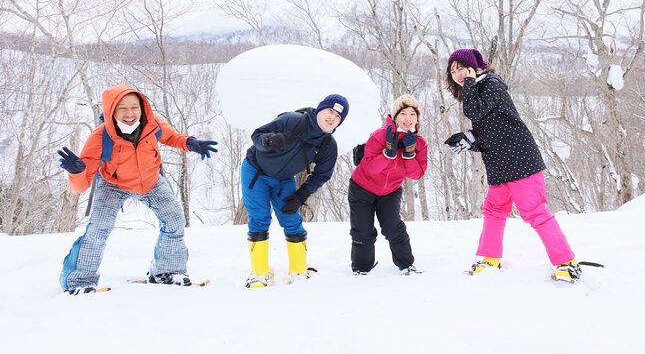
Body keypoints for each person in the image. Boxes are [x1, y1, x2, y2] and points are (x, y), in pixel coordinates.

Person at [58, 84, 218, 294]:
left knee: (175, 219)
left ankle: (166, 272)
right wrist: (77, 171)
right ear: (111, 110)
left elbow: (170, 136)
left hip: (151, 181)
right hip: (113, 185)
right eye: (122, 108)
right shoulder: (100, 137)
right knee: (98, 229)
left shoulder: (152, 124)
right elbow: (80, 186)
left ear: (142, 108)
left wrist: (190, 143)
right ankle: (79, 281)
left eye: (135, 107)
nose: (130, 114)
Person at [444, 48, 580, 282]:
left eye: (462, 68)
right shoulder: (478, 90)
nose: (458, 74)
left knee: (536, 212)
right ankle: (489, 258)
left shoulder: (491, 84)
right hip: (499, 164)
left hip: (520, 160)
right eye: (453, 70)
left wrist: (468, 82)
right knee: (494, 211)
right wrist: (470, 139)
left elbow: (473, 110)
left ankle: (566, 262)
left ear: (474, 68)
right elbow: (491, 130)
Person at [241, 94, 349, 288]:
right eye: (330, 111)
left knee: (291, 219)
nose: (332, 117)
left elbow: (322, 175)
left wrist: (301, 196)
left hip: (284, 180)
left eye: (338, 117)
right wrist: (268, 140)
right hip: (256, 172)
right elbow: (256, 135)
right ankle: (259, 273)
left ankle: (299, 270)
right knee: (259, 218)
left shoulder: (327, 146)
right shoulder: (292, 120)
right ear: (320, 109)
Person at [348, 94, 428, 276]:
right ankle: (361, 269)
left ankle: (406, 265)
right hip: (362, 188)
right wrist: (387, 154)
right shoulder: (378, 136)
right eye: (403, 114)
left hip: (390, 191)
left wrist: (409, 154)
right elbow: (369, 168)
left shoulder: (419, 144)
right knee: (363, 231)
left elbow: (417, 174)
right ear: (395, 116)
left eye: (413, 114)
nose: (408, 119)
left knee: (393, 227)